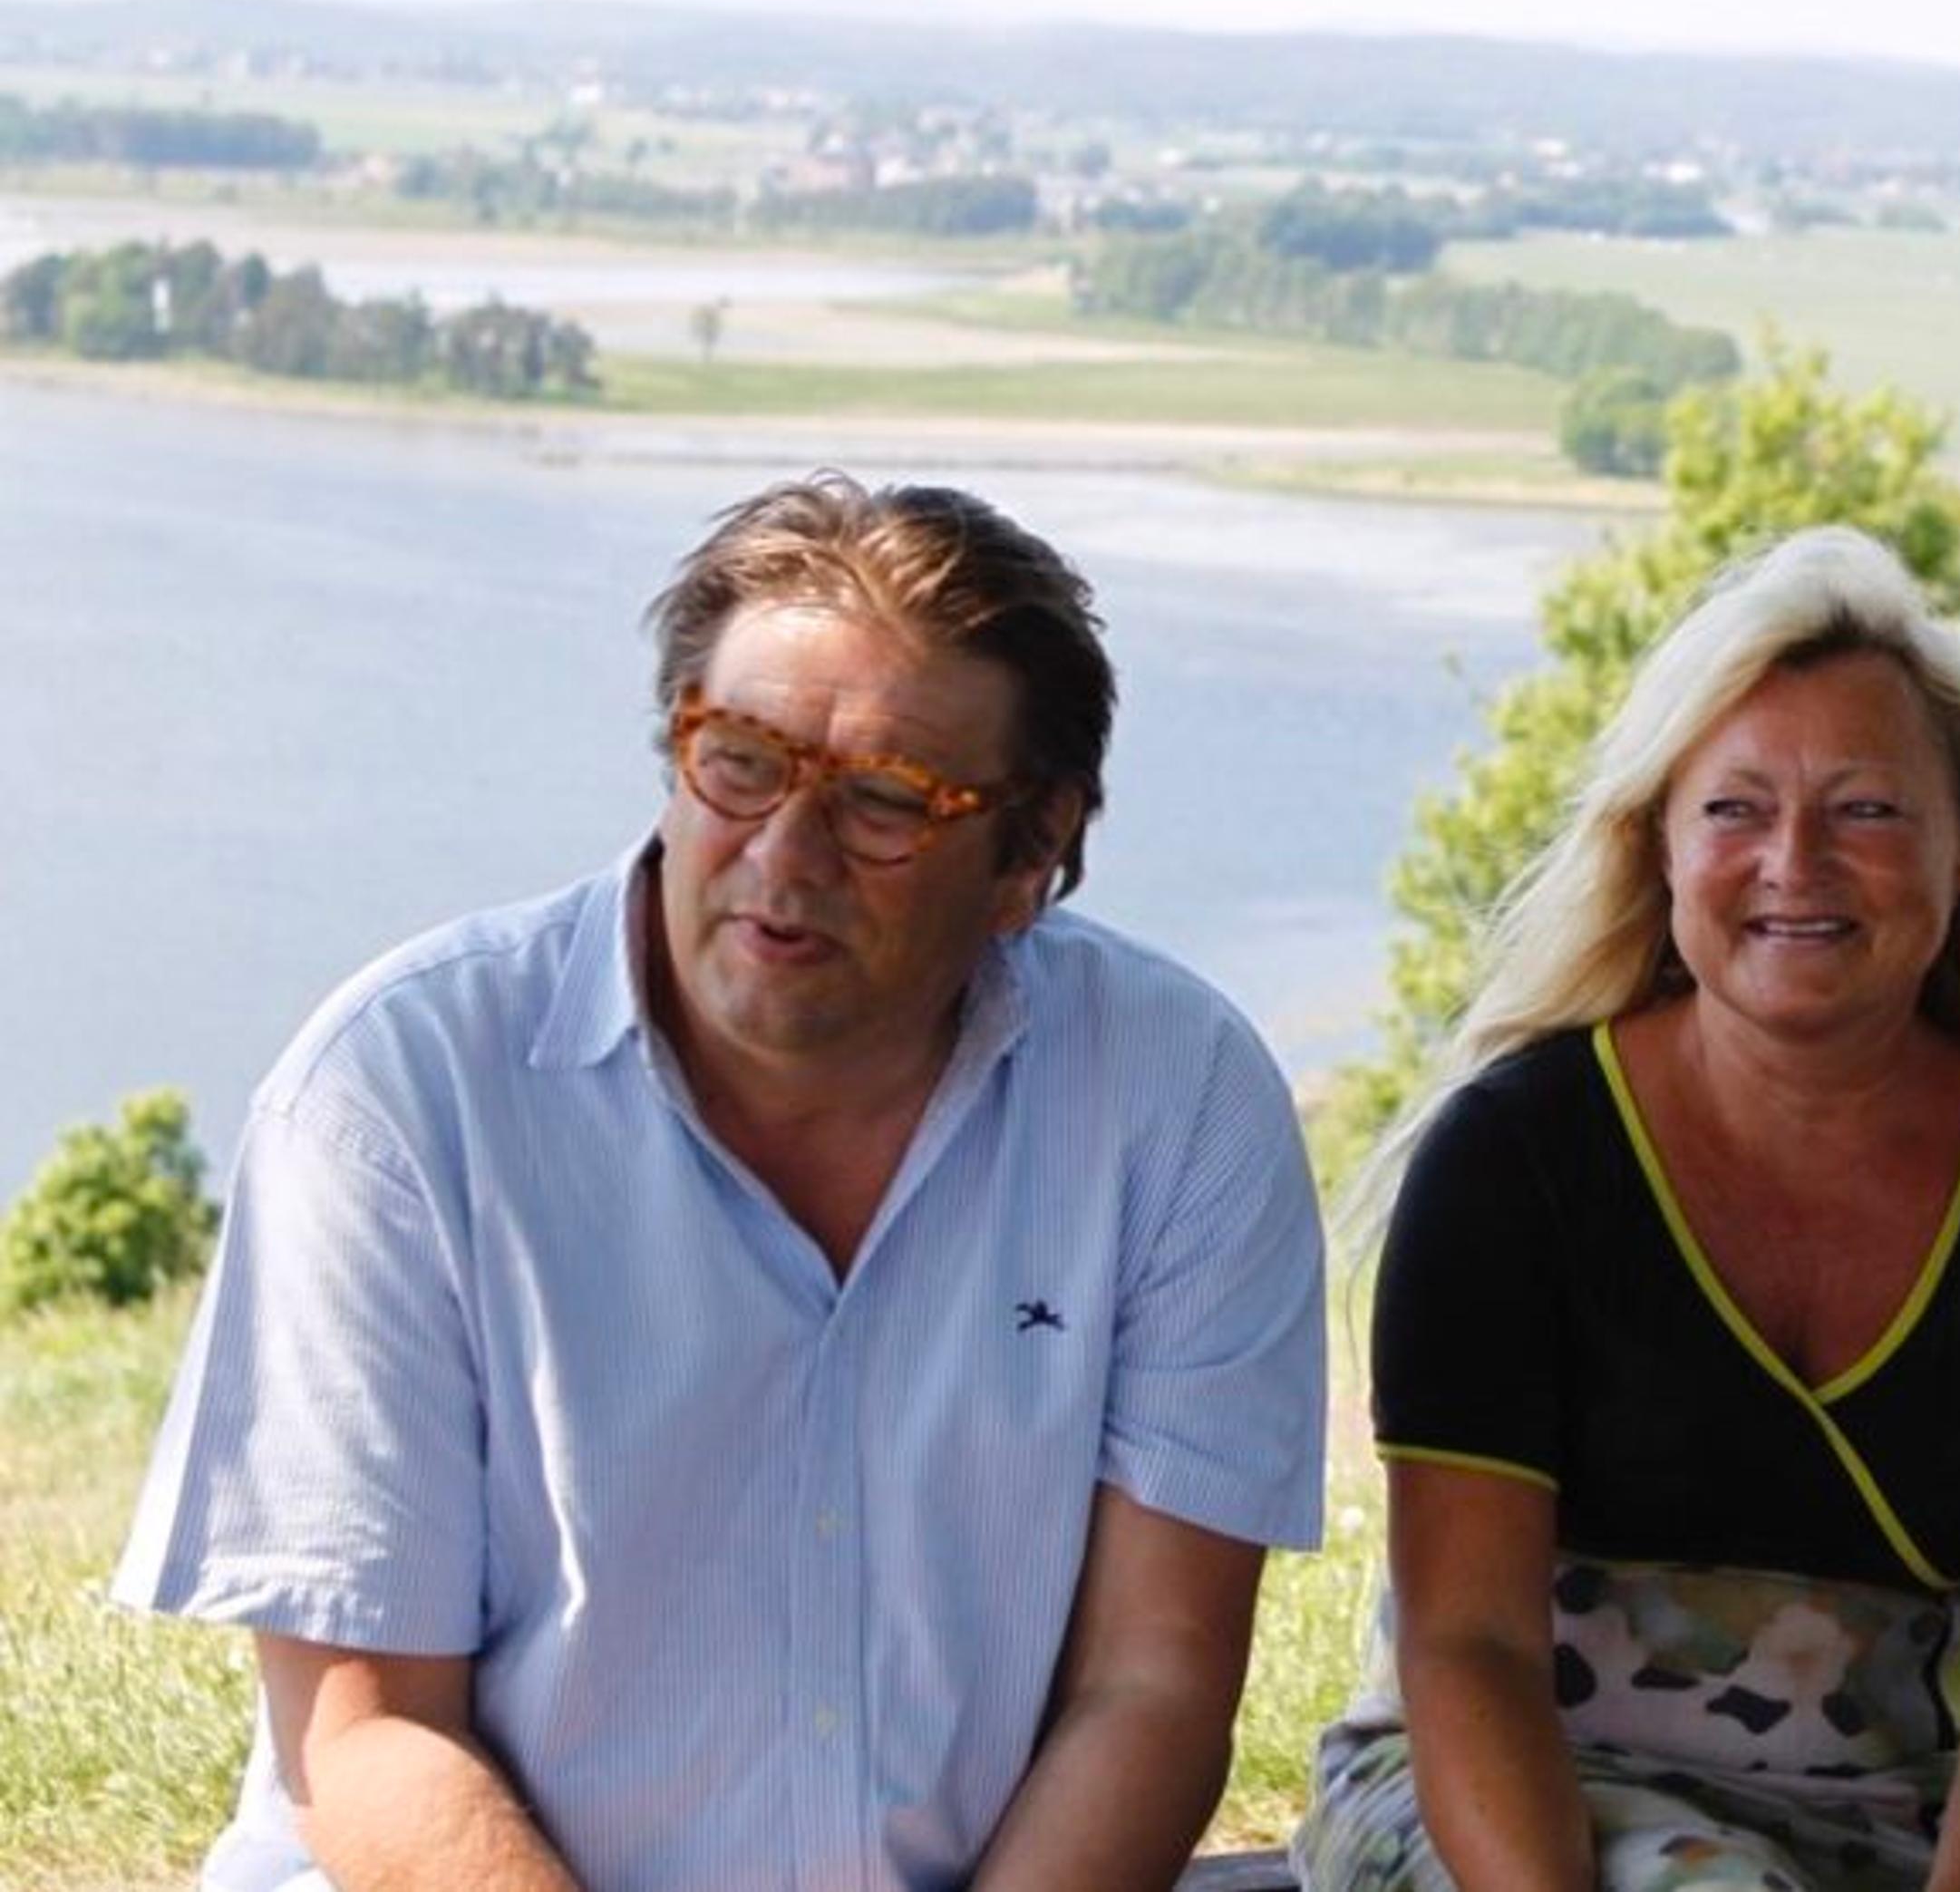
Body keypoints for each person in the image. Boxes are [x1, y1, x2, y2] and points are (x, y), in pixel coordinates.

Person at [116, 472, 1328, 1890]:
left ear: (1031, 856)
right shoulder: (398, 1097)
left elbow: (1153, 1684)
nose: (784, 855)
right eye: (741, 762)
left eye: (884, 802)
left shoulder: (1174, 1101)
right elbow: (367, 1733)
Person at [1293, 527, 1960, 1891]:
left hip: (1881, 1828)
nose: (1794, 861)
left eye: (1866, 810)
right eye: (1734, 810)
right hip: (1490, 1802)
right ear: (1657, 843)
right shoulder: (1515, 1159)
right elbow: (1468, 1644)